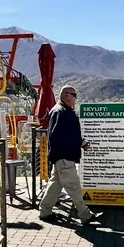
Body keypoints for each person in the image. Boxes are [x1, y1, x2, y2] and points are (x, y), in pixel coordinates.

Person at [38, 85, 99, 224]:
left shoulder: (61, 110)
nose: (76, 98)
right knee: (74, 186)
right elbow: (58, 136)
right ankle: (85, 215)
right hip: (64, 157)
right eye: (74, 95)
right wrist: (80, 142)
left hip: (60, 157)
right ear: (67, 95)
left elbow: (64, 134)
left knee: (54, 185)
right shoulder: (61, 112)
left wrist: (79, 141)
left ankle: (45, 211)